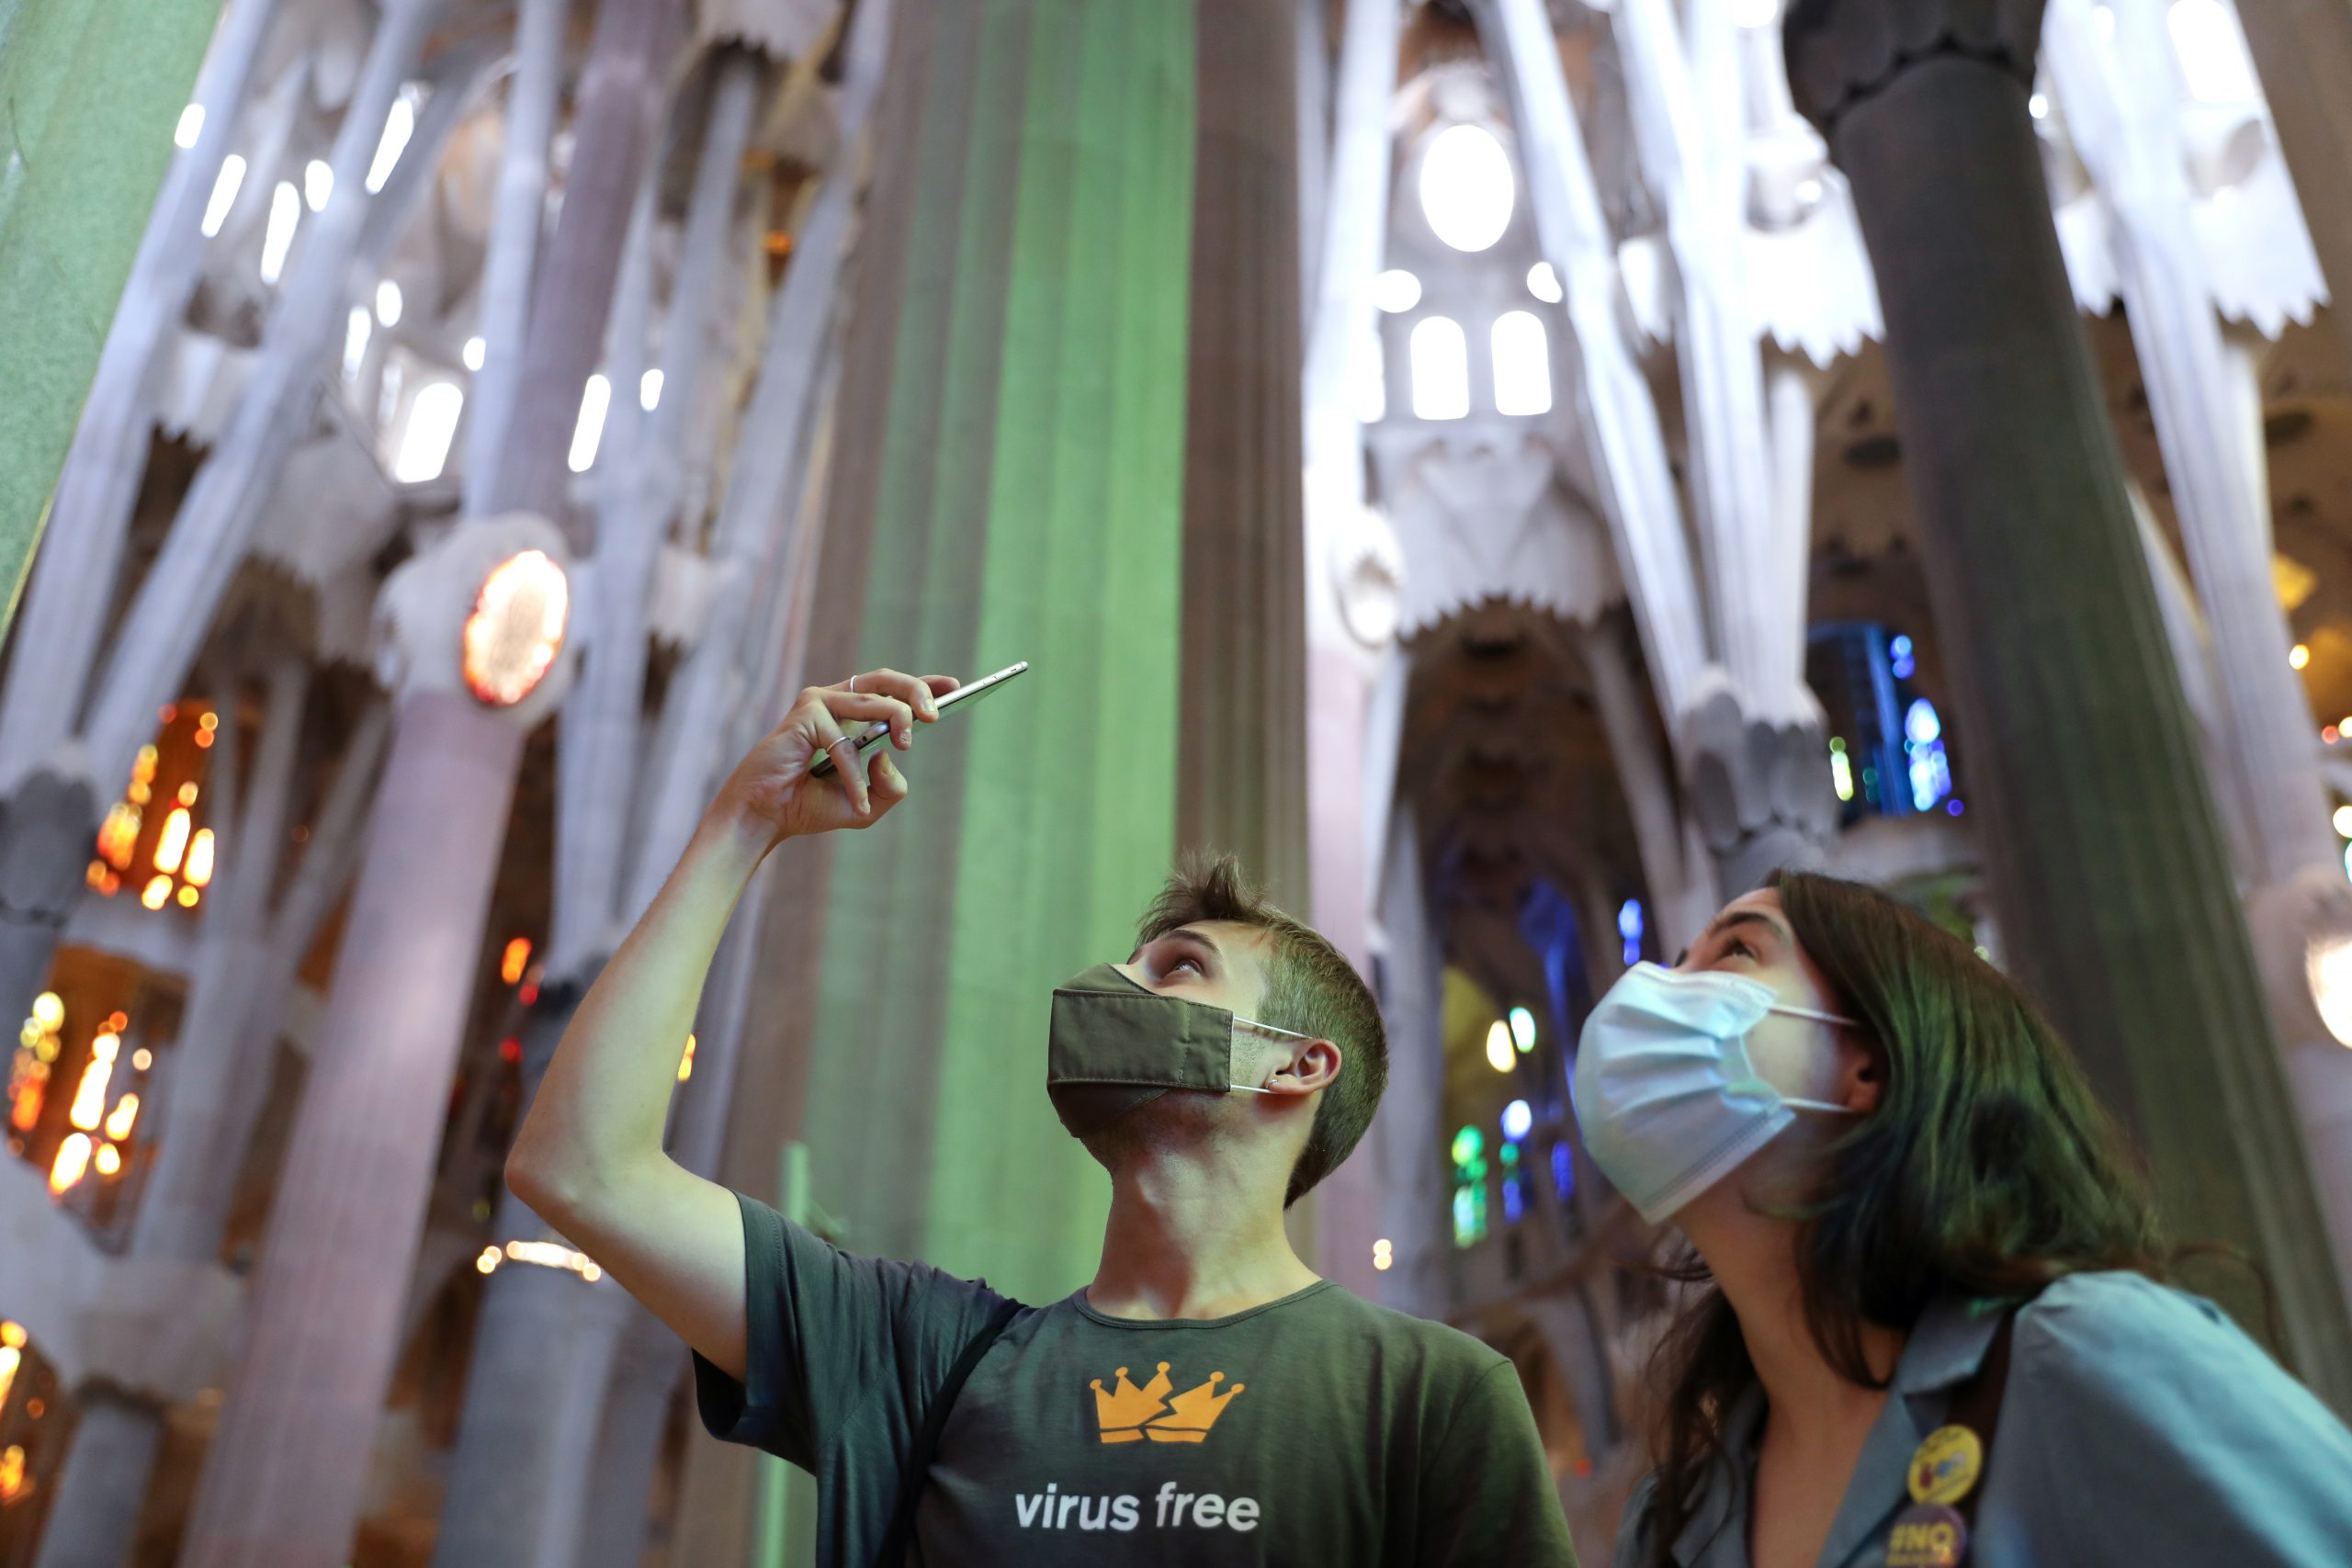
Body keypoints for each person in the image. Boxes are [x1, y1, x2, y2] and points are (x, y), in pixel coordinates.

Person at [506, 668, 1577, 1567]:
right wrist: (743, 824)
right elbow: (582, 1168)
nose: (1111, 981)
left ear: (1294, 1067)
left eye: (1178, 969)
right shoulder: (925, 1357)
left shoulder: (1430, 1399)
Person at [1578, 871, 2352, 1568]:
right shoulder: (1669, 1528)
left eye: (1736, 952)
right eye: (1677, 959)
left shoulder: (2079, 1359)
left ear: (1870, 1065)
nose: (1655, 988)